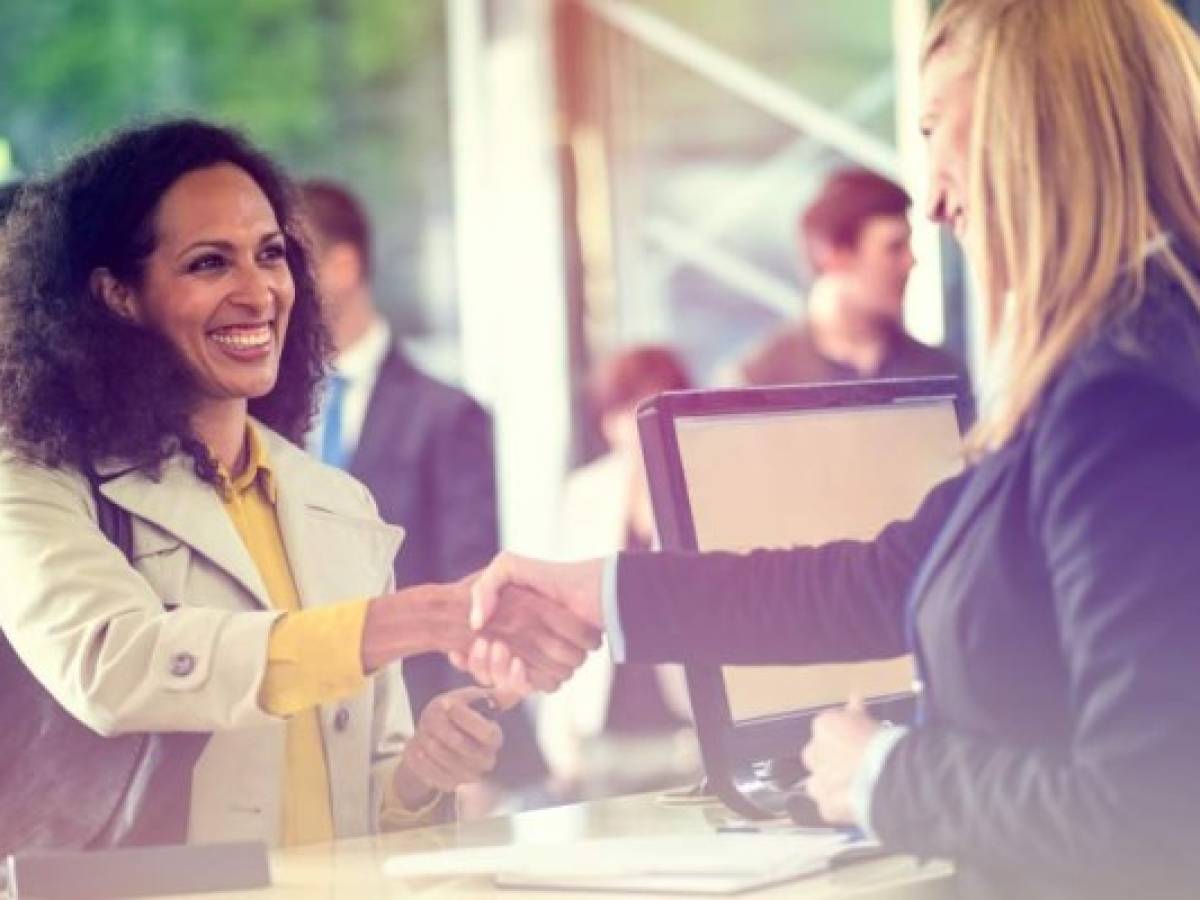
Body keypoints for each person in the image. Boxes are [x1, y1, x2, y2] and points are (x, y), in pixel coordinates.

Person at [463, 0, 1200, 896]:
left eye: (935, 127)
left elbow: (1156, 814)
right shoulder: (1112, 362)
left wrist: (889, 776)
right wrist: (603, 590)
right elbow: (883, 579)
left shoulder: (1129, 396)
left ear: (1034, 126)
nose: (930, 196)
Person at [0, 119, 595, 851]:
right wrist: (421, 620)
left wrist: (419, 774)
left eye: (271, 254)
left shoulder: (335, 503)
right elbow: (116, 666)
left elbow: (365, 811)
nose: (258, 292)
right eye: (209, 263)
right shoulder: (31, 483)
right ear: (119, 294)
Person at [298, 178, 549, 809]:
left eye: (287, 261)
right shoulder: (267, 421)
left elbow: (469, 590)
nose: (271, 289)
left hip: (423, 731)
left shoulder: (445, 414)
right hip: (308, 732)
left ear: (344, 265)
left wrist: (463, 746)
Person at [538, 346, 699, 798]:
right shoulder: (586, 492)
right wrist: (559, 734)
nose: (636, 421)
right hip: (604, 726)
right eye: (625, 408)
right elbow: (560, 605)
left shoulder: (703, 481)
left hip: (687, 726)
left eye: (653, 403)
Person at [727, 167, 974, 423]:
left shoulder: (941, 374)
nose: (911, 261)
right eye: (894, 248)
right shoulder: (757, 381)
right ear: (834, 255)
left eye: (908, 245)